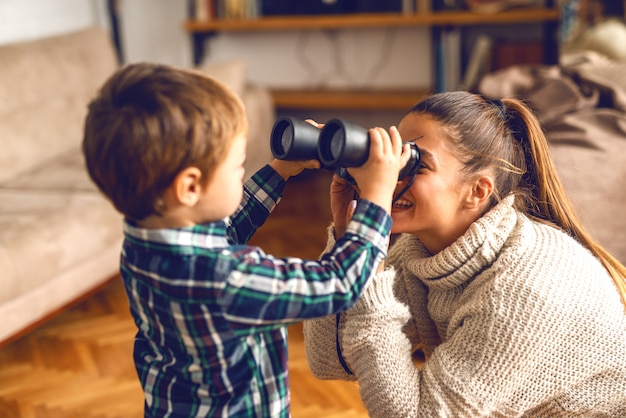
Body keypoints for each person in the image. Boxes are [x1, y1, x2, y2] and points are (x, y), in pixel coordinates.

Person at [81, 62, 412, 417]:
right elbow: (337, 283)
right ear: (190, 187)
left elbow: (224, 231)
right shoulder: (226, 278)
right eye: (238, 166)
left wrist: (281, 170)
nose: (242, 172)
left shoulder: (143, 241)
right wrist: (378, 193)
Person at [304, 91, 626, 417]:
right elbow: (330, 360)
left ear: (477, 191)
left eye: (416, 164)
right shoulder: (420, 254)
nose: (392, 176)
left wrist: (370, 273)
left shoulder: (520, 286)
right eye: (396, 158)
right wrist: (351, 245)